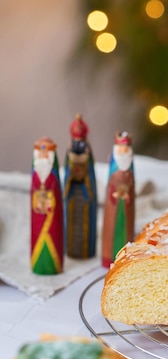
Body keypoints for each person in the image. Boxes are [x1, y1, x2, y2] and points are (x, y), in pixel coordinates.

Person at [63, 114, 97, 258]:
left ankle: (87, 251)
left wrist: (86, 180)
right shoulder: (69, 151)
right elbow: (66, 171)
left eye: (80, 141)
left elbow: (90, 172)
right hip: (72, 192)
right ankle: (71, 250)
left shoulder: (87, 152)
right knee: (71, 221)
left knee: (86, 223)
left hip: (85, 193)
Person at [30, 137, 64, 274]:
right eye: (40, 154)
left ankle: (53, 266)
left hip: (52, 215)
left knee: (54, 235)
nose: (43, 157)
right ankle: (38, 265)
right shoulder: (34, 175)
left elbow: (55, 191)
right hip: (38, 214)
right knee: (37, 235)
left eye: (46, 154)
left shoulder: (54, 176)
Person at [102, 131, 135, 268]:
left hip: (126, 207)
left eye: (125, 150)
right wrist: (114, 196)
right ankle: (108, 257)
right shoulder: (113, 169)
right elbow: (110, 188)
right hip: (114, 207)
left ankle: (123, 257)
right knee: (111, 228)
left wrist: (127, 197)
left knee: (126, 229)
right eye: (120, 150)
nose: (123, 152)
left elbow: (132, 187)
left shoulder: (130, 170)